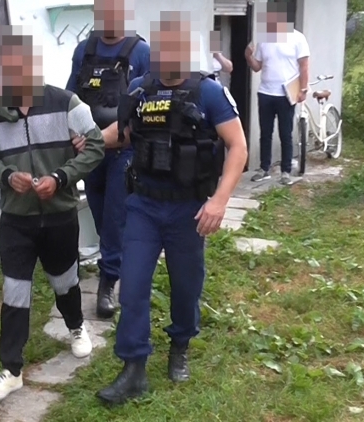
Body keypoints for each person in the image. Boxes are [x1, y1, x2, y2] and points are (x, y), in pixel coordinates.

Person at [95, 11, 248, 405]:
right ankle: (133, 369)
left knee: (185, 286)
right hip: (144, 206)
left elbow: (238, 146)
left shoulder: (209, 92)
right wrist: (88, 140)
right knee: (132, 287)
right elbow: (123, 135)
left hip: (188, 209)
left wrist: (219, 200)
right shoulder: (139, 90)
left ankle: (180, 344)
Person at [0, 25, 105, 403]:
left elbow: (95, 146)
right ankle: (12, 370)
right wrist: (7, 176)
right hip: (16, 219)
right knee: (14, 291)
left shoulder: (66, 102)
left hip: (59, 214)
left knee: (65, 281)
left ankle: (76, 327)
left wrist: (61, 177)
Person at [65, 0, 151, 319]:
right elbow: (70, 97)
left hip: (124, 151)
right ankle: (118, 260)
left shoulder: (141, 52)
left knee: (115, 216)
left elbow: (149, 105)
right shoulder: (84, 50)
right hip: (90, 151)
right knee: (101, 214)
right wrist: (71, 133)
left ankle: (108, 282)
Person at [245, 3, 310, 185]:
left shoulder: (297, 38)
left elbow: (304, 66)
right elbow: (257, 67)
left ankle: (285, 171)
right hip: (265, 93)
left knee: (285, 134)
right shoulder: (265, 39)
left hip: (286, 94)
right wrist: (248, 56)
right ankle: (264, 168)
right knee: (265, 133)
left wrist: (303, 89)